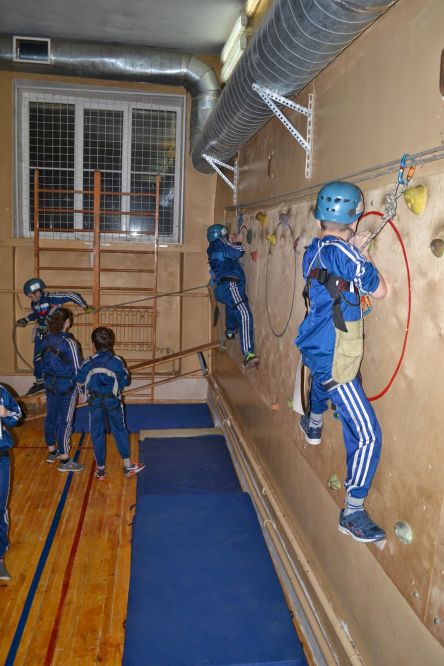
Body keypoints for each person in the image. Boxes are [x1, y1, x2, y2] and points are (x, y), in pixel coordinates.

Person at [295, 181, 387, 543]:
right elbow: (380, 290)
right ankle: (352, 511)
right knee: (368, 434)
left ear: (321, 218)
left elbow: (334, 273)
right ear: (355, 218)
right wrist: (361, 255)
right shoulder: (346, 255)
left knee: (322, 383)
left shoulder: (312, 251)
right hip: (336, 358)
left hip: (317, 346)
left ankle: (314, 422)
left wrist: (352, 250)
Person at [76, 327, 145, 480]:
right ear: (111, 343)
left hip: (94, 402)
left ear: (93, 344)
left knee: (97, 432)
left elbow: (79, 380)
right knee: (119, 430)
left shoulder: (87, 362)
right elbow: (126, 382)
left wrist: (82, 393)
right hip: (113, 401)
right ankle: (127, 466)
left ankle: (100, 470)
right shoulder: (117, 362)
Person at [16, 278, 91, 397]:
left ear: (38, 291)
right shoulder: (34, 303)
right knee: (37, 358)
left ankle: (64, 382)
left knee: (55, 358)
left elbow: (72, 295)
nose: (31, 299)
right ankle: (40, 383)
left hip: (54, 334)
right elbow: (37, 314)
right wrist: (26, 319)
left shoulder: (52, 297)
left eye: (31, 296)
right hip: (41, 333)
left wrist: (85, 306)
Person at [207, 224, 260, 369]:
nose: (228, 236)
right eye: (226, 235)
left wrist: (230, 241)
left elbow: (226, 255)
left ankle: (230, 331)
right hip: (230, 284)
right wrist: (238, 241)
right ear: (220, 236)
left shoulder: (214, 247)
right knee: (244, 313)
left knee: (233, 306)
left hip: (226, 286)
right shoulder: (218, 243)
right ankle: (248, 354)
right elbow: (237, 252)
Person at [41, 308, 84, 473]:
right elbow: (78, 369)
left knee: (51, 417)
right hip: (66, 386)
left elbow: (40, 362)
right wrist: (82, 390)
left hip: (50, 384)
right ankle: (65, 460)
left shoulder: (46, 339)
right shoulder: (70, 342)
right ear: (67, 322)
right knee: (65, 422)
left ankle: (52, 451)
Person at [0, 385, 22, 581]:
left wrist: (6, 413)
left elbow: (17, 416)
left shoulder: (0, 392)